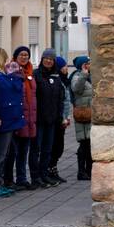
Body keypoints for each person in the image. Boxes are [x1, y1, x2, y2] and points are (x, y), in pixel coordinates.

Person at [0, 47, 26, 196]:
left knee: (4, 153)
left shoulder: (1, 74)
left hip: (9, 118)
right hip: (2, 118)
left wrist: (15, 76)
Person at [3, 46, 38, 191]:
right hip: (16, 116)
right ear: (15, 56)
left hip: (29, 118)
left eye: (26, 55)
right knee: (13, 151)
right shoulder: (11, 69)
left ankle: (22, 178)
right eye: (21, 55)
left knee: (24, 151)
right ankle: (8, 179)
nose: (24, 57)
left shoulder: (30, 72)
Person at [33, 49, 68, 188]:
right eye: (46, 58)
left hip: (52, 120)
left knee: (48, 150)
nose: (48, 61)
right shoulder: (36, 75)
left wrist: (61, 117)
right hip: (39, 119)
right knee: (37, 149)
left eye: (51, 59)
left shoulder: (56, 76)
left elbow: (60, 99)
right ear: (42, 59)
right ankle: (36, 177)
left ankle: (45, 174)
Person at [47, 57, 73, 184]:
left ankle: (53, 169)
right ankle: (49, 170)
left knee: (59, 147)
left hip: (62, 118)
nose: (66, 68)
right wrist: (62, 117)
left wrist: (67, 117)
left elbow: (67, 101)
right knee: (55, 146)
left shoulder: (64, 81)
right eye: (64, 66)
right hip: (56, 118)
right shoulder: (57, 81)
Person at [70, 56, 93, 181]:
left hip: (90, 115)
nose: (90, 65)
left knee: (89, 144)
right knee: (84, 143)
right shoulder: (77, 76)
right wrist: (84, 74)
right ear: (83, 65)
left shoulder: (89, 77)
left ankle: (89, 170)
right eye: (88, 63)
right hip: (83, 115)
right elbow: (76, 89)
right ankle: (81, 171)